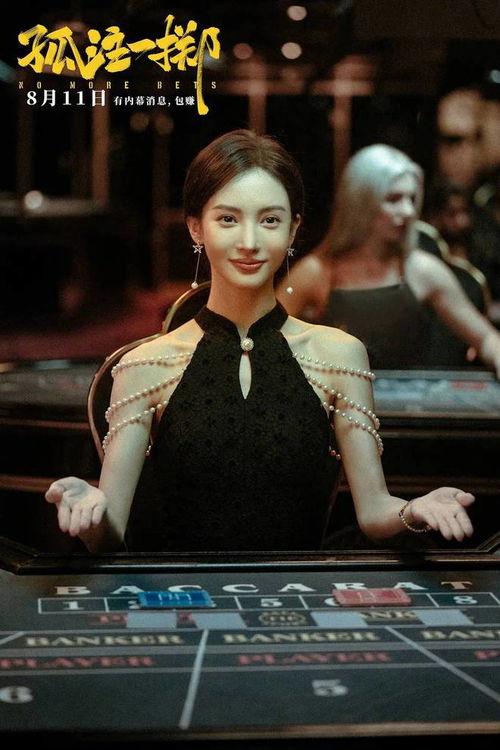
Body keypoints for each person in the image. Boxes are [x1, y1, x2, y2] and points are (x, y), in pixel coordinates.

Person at [45, 130, 475, 552]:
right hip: (180, 593)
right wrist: (89, 513)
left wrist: (414, 510)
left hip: (297, 590)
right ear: (195, 227)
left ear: (293, 229)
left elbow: (375, 512)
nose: (249, 243)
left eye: (269, 220)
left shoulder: (341, 356)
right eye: (228, 219)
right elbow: (111, 534)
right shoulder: (144, 365)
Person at [277, 144, 500, 374]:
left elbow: (487, 340)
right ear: (361, 202)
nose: (408, 211)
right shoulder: (317, 272)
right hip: (338, 396)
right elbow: (264, 337)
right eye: (394, 199)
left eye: (412, 199)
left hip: (410, 396)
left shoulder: (421, 270)